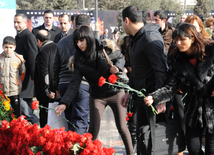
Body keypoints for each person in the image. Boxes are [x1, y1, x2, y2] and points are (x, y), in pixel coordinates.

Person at [55, 25, 134, 155]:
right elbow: (74, 84)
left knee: (122, 127)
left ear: (89, 38)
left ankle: (131, 153)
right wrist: (64, 103)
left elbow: (119, 57)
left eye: (82, 40)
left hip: (115, 92)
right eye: (77, 42)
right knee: (93, 130)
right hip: (97, 96)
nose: (79, 44)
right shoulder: (78, 59)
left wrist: (118, 67)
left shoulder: (103, 48)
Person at [144, 23, 214, 155]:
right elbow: (170, 87)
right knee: (193, 149)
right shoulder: (176, 60)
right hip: (194, 108)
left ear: (192, 38)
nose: (178, 43)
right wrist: (154, 97)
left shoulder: (210, 50)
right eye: (176, 40)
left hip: (212, 104)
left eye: (182, 39)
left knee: (212, 150)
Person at [120, 6, 168, 155]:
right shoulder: (136, 38)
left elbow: (161, 69)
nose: (122, 26)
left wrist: (160, 99)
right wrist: (129, 91)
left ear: (127, 20)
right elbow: (138, 69)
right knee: (143, 140)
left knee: (154, 144)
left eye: (121, 22)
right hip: (142, 97)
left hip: (153, 100)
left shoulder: (149, 37)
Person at [53, 14, 90, 134]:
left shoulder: (62, 42)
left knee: (69, 121)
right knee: (79, 120)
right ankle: (78, 149)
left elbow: (55, 67)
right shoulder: (89, 41)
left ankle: (71, 146)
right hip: (82, 85)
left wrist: (55, 86)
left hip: (63, 84)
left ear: (73, 24)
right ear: (89, 25)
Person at [14, 13, 39, 124]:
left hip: (28, 79)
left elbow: (33, 58)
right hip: (20, 79)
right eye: (14, 22)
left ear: (25, 23)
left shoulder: (28, 36)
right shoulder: (18, 37)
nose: (16, 24)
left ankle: (37, 127)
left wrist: (33, 77)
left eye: (18, 22)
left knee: (27, 111)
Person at [34, 30, 59, 127]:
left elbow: (44, 73)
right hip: (59, 90)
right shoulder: (58, 47)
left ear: (38, 41)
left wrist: (46, 90)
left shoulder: (43, 52)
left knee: (46, 119)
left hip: (48, 94)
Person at [0, 36, 25, 118]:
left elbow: (22, 73)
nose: (8, 49)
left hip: (14, 90)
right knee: (4, 115)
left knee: (16, 113)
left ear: (14, 47)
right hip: (2, 91)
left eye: (11, 47)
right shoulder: (0, 58)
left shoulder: (18, 59)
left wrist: (17, 83)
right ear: (2, 46)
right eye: (6, 47)